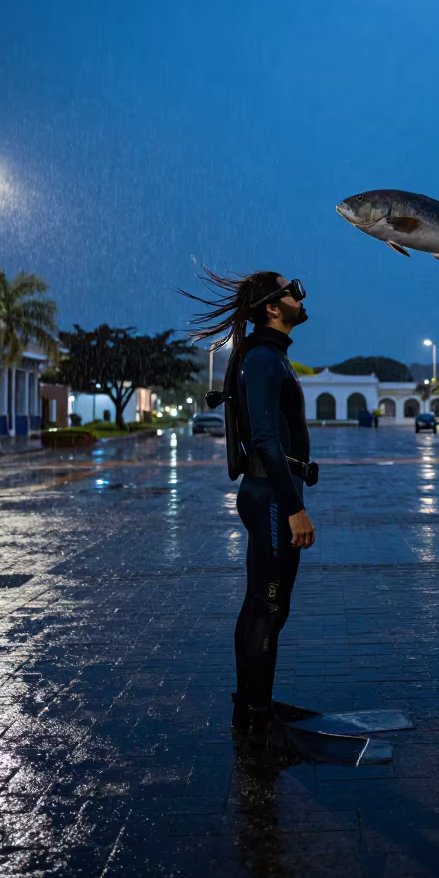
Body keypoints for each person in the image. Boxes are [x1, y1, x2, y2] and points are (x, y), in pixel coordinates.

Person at [187, 269, 316, 748]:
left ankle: (252, 706)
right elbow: (263, 439)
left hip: (266, 495)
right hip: (270, 497)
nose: (302, 298)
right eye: (294, 291)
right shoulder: (263, 358)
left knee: (261, 605)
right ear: (272, 307)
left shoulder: (266, 356)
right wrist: (293, 508)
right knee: (269, 606)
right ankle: (259, 720)